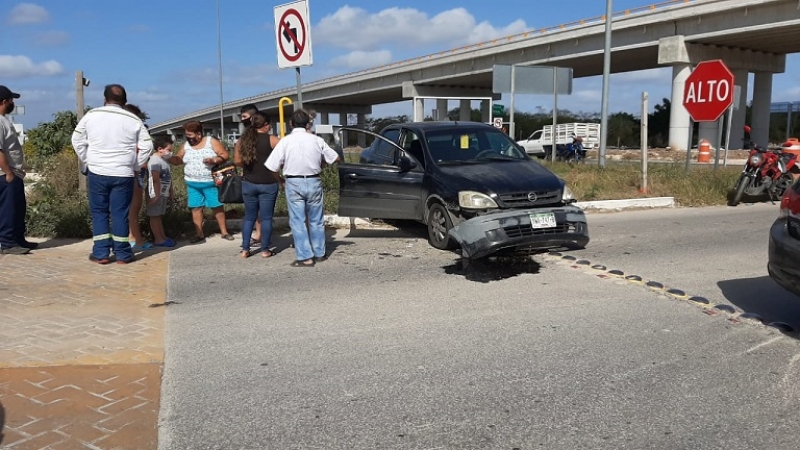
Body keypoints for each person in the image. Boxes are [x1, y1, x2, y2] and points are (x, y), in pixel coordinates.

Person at [71, 84, 153, 264]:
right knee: (120, 213)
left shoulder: (91, 115)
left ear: (104, 99)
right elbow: (148, 145)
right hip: (123, 173)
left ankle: (101, 253)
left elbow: (76, 139)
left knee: (100, 212)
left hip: (97, 172)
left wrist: (88, 159)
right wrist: (135, 165)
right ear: (125, 101)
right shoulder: (133, 119)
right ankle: (123, 254)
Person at [265, 109, 340, 267]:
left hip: (293, 182)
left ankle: (306, 256)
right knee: (316, 220)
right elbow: (335, 157)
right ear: (308, 124)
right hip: (313, 181)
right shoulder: (317, 140)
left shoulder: (285, 141)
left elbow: (271, 167)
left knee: (298, 221)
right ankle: (320, 253)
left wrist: (281, 181)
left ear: (291, 124)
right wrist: (321, 165)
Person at [170, 120, 232, 243]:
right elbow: (178, 161)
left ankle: (224, 232)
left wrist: (214, 160)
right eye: (187, 136)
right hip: (192, 183)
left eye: (190, 135)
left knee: (217, 207)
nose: (188, 138)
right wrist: (168, 157)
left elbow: (224, 155)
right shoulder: (186, 145)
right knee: (196, 208)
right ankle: (199, 234)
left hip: (210, 183)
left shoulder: (211, 142)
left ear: (199, 134)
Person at [234, 111, 282, 258]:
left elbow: (236, 161)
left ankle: (245, 249)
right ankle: (265, 250)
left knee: (249, 217)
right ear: (266, 125)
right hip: (268, 183)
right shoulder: (273, 140)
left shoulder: (243, 141)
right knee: (266, 218)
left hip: (249, 182)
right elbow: (282, 160)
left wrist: (249, 163)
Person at [0, 85, 33, 255]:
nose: (13, 103)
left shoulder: (4, 119)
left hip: (14, 173)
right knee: (8, 209)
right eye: (11, 100)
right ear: (4, 101)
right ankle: (7, 243)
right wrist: (8, 173)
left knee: (18, 208)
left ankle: (18, 239)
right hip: (5, 175)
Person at [124, 103, 151, 250]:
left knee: (127, 208)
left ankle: (131, 236)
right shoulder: (135, 133)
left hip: (126, 171)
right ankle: (136, 239)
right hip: (136, 172)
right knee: (134, 208)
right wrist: (140, 165)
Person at [146, 135, 176, 247]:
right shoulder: (154, 161)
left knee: (158, 216)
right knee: (154, 216)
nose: (170, 153)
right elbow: (155, 179)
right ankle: (158, 239)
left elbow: (169, 178)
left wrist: (171, 192)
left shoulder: (164, 160)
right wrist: (156, 195)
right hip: (155, 193)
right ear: (160, 149)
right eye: (169, 150)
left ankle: (162, 237)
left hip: (163, 192)